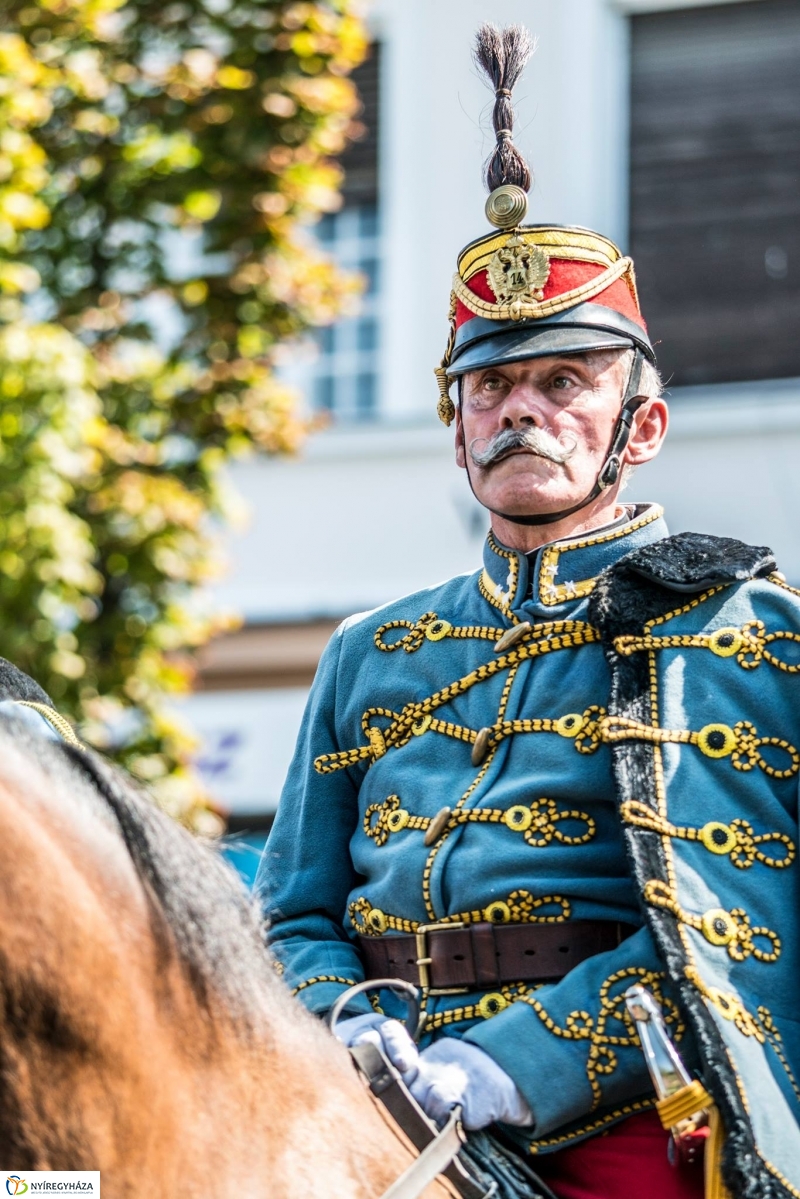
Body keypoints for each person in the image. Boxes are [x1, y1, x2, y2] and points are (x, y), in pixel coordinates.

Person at [257, 24, 800, 1199]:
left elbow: (735, 929)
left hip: (611, 1112)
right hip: (353, 1083)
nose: (522, 412)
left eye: (564, 383)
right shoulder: (368, 651)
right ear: (455, 428)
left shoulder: (742, 631)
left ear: (637, 428)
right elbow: (289, 907)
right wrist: (342, 1025)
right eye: (490, 386)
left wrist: (505, 1068)